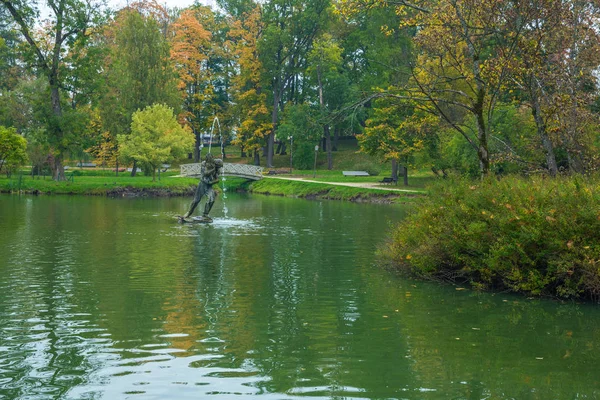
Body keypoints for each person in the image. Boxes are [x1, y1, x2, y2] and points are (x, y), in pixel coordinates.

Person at [179, 153, 223, 222]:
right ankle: (188, 213)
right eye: (218, 166)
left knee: (212, 199)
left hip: (209, 186)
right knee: (196, 200)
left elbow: (217, 179)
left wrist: (211, 182)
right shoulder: (204, 163)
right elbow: (205, 173)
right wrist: (213, 169)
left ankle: (205, 214)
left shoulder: (216, 169)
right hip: (202, 184)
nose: (219, 168)